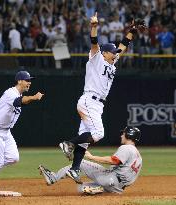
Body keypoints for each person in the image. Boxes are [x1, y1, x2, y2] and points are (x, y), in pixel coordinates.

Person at [58, 13, 146, 183]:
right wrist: (94, 26)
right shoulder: (96, 58)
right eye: (112, 53)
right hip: (89, 100)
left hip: (97, 105)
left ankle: (75, 169)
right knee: (98, 133)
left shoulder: (112, 61)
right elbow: (93, 43)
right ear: (104, 53)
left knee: (85, 137)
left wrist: (132, 30)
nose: (115, 54)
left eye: (115, 53)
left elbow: (123, 45)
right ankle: (68, 144)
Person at [39, 126, 142, 195]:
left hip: (110, 180)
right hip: (118, 188)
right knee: (81, 189)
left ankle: (53, 178)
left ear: (129, 135)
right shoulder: (138, 156)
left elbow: (113, 160)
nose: (121, 135)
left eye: (123, 133)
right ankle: (100, 189)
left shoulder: (127, 148)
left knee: (81, 163)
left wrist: (92, 157)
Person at [0, 71, 44, 182]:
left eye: (30, 80)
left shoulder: (19, 95)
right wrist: (34, 97)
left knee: (13, 158)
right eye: (27, 80)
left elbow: (22, 101)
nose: (29, 82)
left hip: (6, 131)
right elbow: (18, 102)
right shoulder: (10, 92)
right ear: (19, 81)